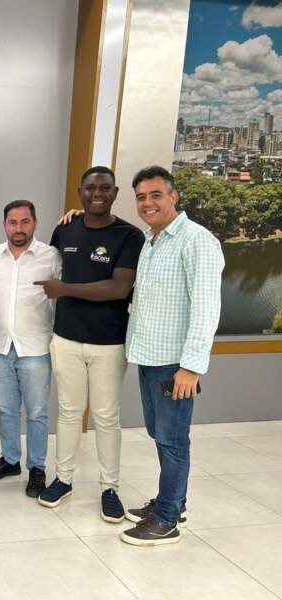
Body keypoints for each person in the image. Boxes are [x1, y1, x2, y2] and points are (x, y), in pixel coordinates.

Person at [121, 166, 224, 546]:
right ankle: (172, 502)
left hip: (175, 365)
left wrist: (191, 367)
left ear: (173, 196)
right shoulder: (152, 241)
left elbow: (206, 308)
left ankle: (167, 519)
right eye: (141, 197)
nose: (147, 203)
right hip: (149, 357)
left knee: (173, 439)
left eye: (156, 195)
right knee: (159, 433)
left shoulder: (197, 240)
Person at [34, 166, 144, 523]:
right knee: (68, 412)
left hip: (108, 343)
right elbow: (51, 266)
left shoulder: (129, 236)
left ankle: (109, 487)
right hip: (65, 338)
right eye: (90, 188)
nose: (97, 194)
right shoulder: (65, 228)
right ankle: (63, 480)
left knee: (106, 417)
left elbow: (119, 288)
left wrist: (65, 289)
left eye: (104, 188)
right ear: (80, 192)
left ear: (115, 193)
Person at [0, 200, 62, 497]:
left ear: (35, 223)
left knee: (37, 412)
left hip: (36, 346)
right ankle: (10, 459)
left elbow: (66, 294)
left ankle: (37, 468)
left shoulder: (51, 256)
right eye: (12, 222)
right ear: (4, 225)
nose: (18, 228)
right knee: (6, 408)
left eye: (25, 222)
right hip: (0, 345)